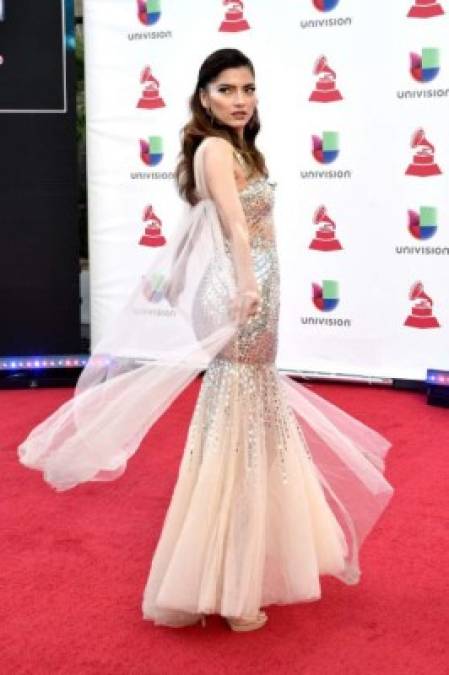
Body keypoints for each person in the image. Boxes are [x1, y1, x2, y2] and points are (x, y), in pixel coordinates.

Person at [18, 48, 394, 634]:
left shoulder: (236, 147)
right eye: (226, 89)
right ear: (203, 97)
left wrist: (194, 279)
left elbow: (202, 223)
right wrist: (246, 286)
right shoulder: (217, 148)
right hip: (242, 293)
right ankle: (233, 584)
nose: (240, 99)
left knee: (246, 418)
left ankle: (241, 561)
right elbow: (236, 224)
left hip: (250, 290)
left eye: (247, 88)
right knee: (239, 422)